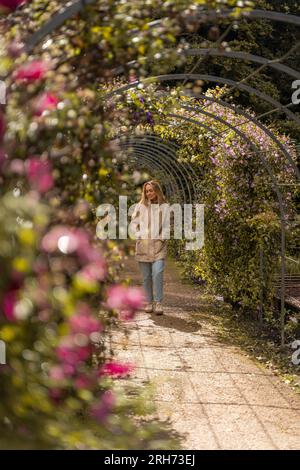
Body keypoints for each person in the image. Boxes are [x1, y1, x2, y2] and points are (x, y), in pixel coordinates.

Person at [131, 180, 169, 315]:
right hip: (143, 246)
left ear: (157, 191)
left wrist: (162, 238)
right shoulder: (140, 206)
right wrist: (139, 236)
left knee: (157, 273)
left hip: (158, 246)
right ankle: (149, 302)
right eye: (146, 191)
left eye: (151, 190)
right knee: (146, 277)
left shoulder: (164, 206)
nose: (149, 193)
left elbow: (167, 225)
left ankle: (158, 303)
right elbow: (133, 224)